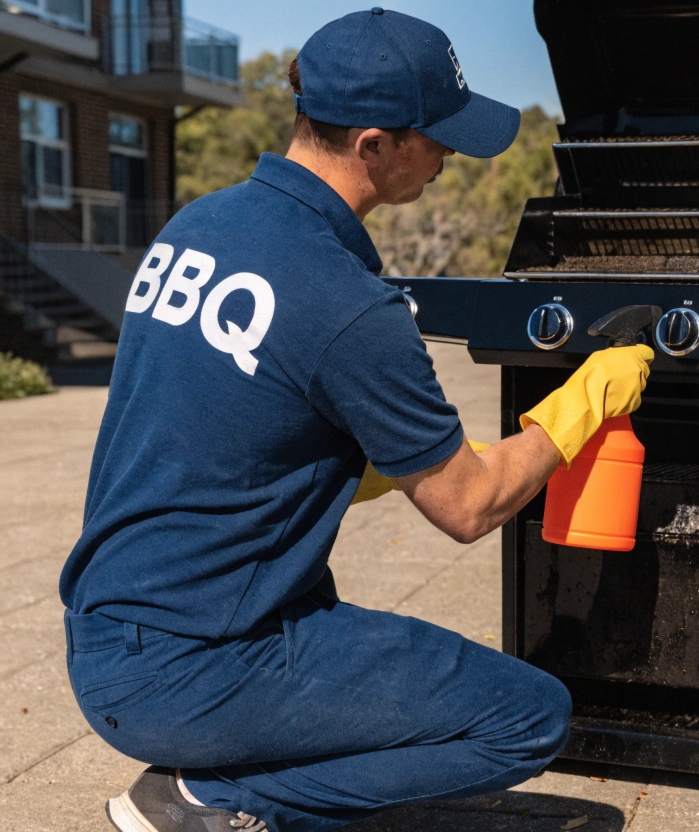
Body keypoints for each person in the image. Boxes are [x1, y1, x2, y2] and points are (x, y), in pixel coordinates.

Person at [58, 9, 652, 832]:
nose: (448, 156)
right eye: (435, 137)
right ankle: (210, 799)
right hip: (202, 666)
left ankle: (226, 765)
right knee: (529, 717)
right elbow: (468, 507)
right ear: (374, 145)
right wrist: (583, 402)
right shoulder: (347, 304)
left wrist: (378, 458)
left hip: (108, 636)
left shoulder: (200, 226)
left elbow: (219, 415)